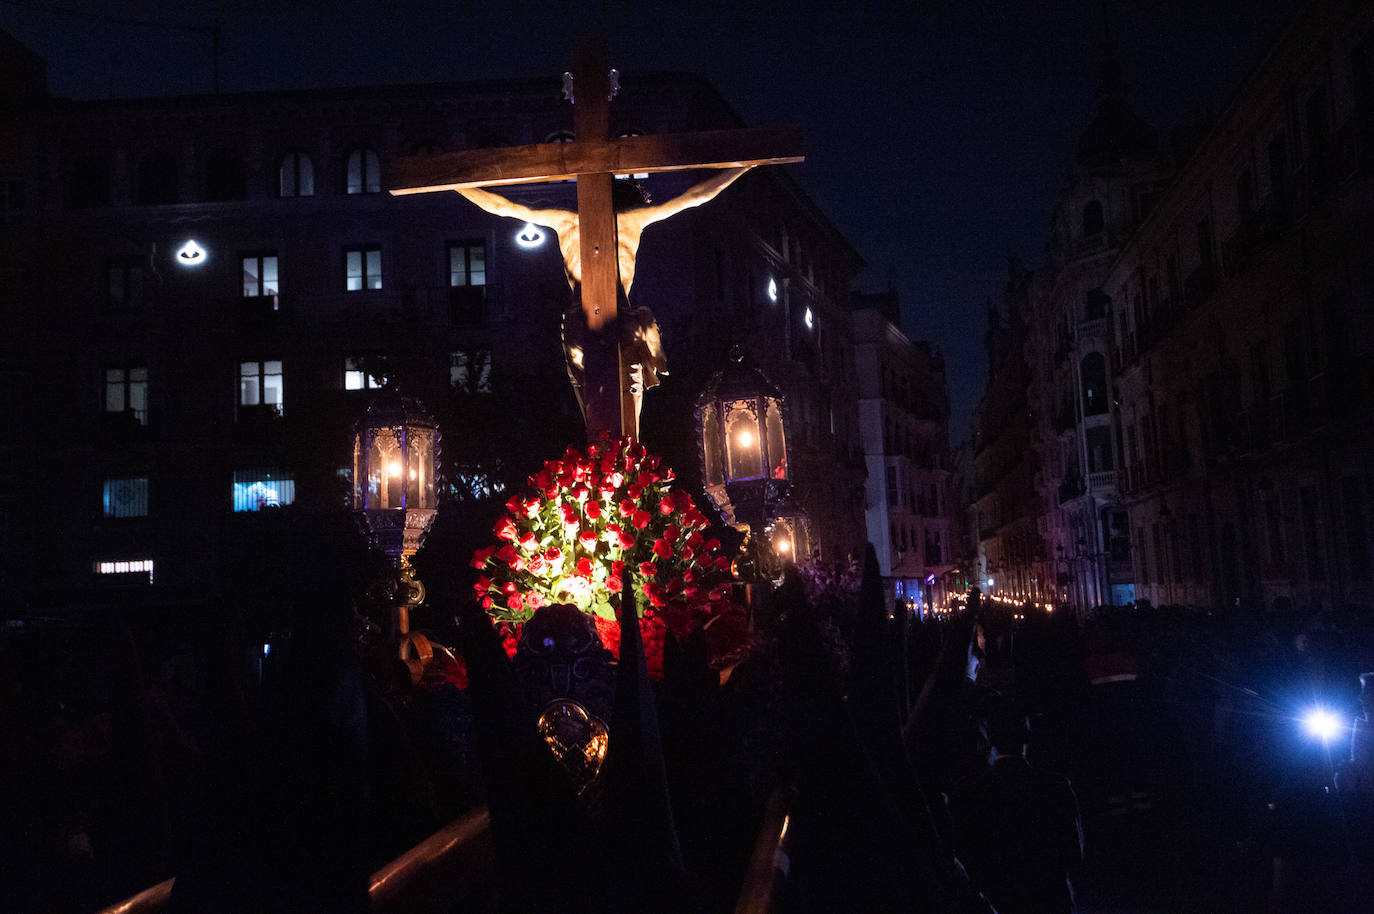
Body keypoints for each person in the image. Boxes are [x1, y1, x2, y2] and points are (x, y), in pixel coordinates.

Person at [456, 168, 752, 422]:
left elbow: (503, 206)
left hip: (579, 321)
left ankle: (609, 472)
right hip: (617, 318)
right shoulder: (632, 220)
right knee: (626, 410)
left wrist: (453, 184)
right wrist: (744, 167)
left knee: (595, 408)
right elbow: (694, 196)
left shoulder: (566, 221)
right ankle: (625, 473)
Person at [947, 704, 1084, 914]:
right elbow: (1074, 853)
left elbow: (960, 856)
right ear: (1028, 735)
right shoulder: (1055, 786)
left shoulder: (968, 791)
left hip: (995, 902)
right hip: (1050, 900)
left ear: (990, 738)